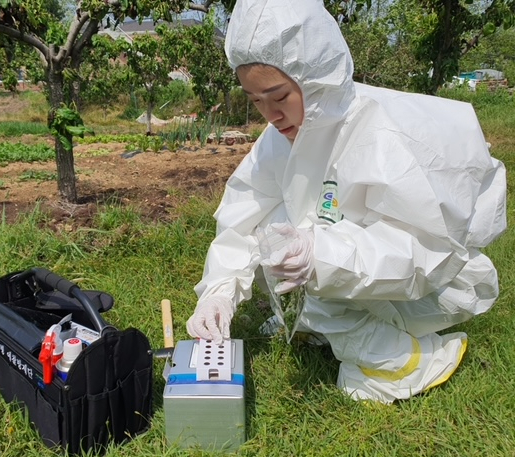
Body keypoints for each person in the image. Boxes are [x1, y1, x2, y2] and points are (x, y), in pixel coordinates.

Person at [185, 0, 507, 404]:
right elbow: (245, 212)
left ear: (314, 76)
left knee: (316, 288)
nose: (270, 115)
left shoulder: (381, 135)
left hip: (431, 284)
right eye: (255, 101)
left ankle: (413, 360)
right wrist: (219, 289)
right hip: (355, 268)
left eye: (279, 96)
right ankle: (323, 317)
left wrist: (320, 258)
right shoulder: (281, 138)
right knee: (277, 238)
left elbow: (425, 252)